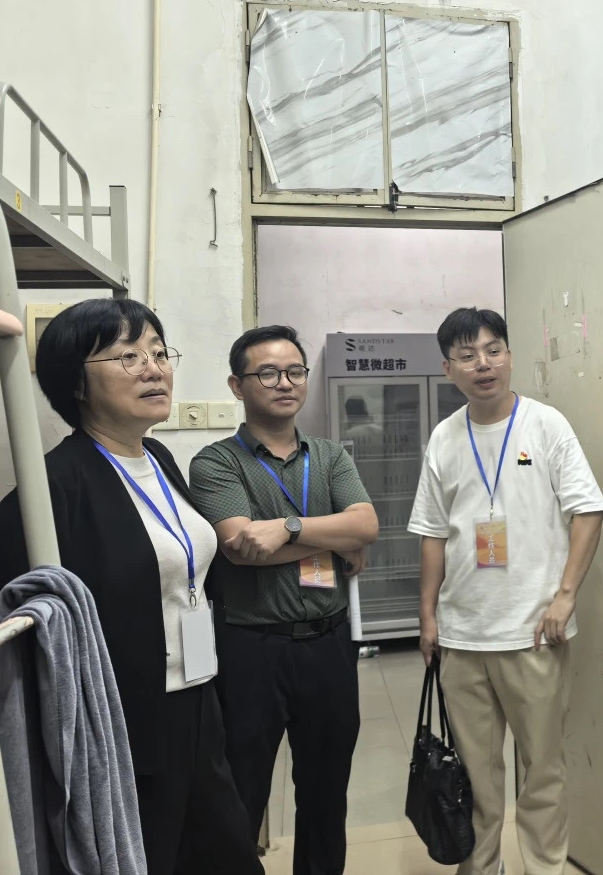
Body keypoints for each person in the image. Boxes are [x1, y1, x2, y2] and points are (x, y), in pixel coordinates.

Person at [0, 298, 263, 875]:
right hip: (127, 717)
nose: (153, 369)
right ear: (76, 383)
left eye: (159, 353)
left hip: (197, 695)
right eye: (127, 357)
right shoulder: (54, 486)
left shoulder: (158, 458)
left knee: (227, 852)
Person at [409, 307, 603, 875]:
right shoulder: (445, 437)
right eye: (467, 355)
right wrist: (428, 616)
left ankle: (545, 868)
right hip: (463, 635)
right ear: (449, 369)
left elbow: (589, 511)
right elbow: (432, 534)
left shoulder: (546, 425)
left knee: (542, 771)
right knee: (474, 776)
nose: (483, 364)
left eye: (493, 350)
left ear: (510, 356)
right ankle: (482, 869)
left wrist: (565, 595)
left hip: (533, 633)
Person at [188, 325, 379, 875]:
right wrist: (333, 537)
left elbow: (366, 524)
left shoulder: (329, 455)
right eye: (268, 373)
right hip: (253, 649)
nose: (284, 383)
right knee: (241, 790)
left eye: (295, 371)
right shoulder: (216, 463)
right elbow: (242, 548)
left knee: (326, 791)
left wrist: (287, 528)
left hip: (329, 645)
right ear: (237, 385)